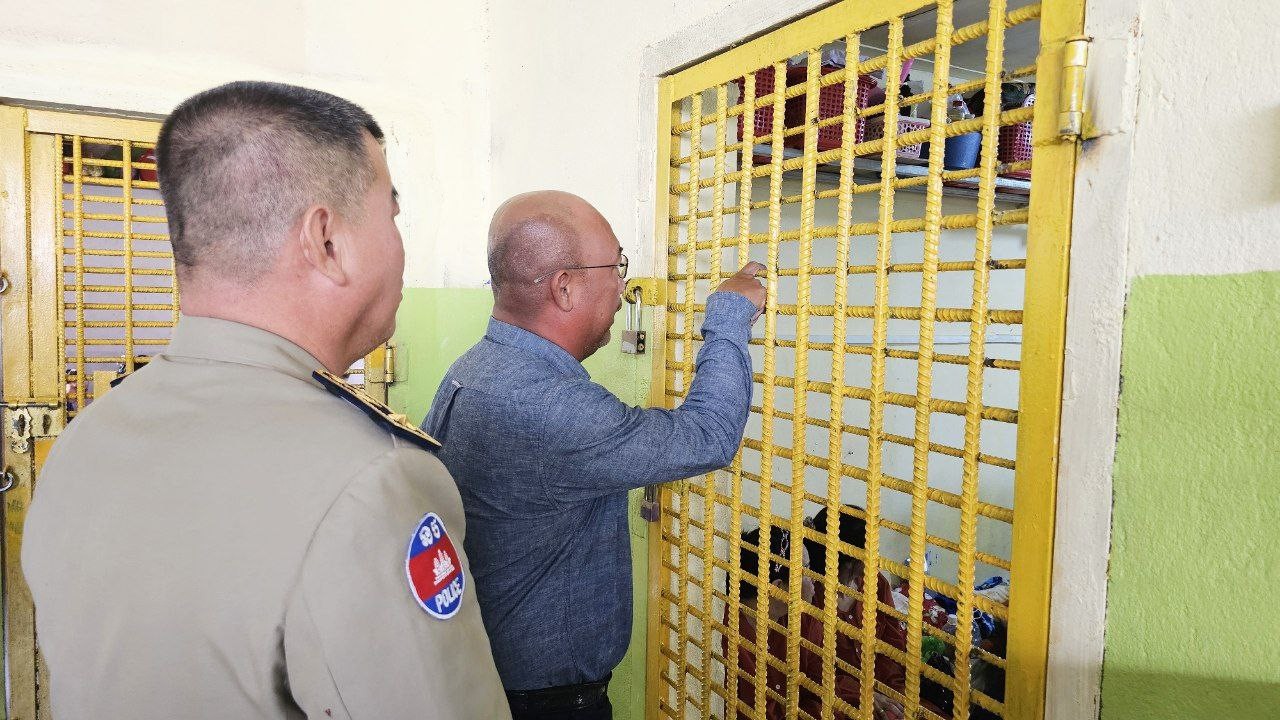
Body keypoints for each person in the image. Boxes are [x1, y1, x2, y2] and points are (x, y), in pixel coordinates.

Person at [22, 81, 510, 719]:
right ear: (326, 241)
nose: (399, 246)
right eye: (392, 217)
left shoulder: (89, 435)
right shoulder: (371, 482)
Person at [422, 190, 766, 719]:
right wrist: (729, 314)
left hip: (489, 677)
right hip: (543, 705)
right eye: (616, 266)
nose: (624, 288)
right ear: (564, 287)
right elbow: (707, 435)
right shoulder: (546, 405)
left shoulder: (477, 368)